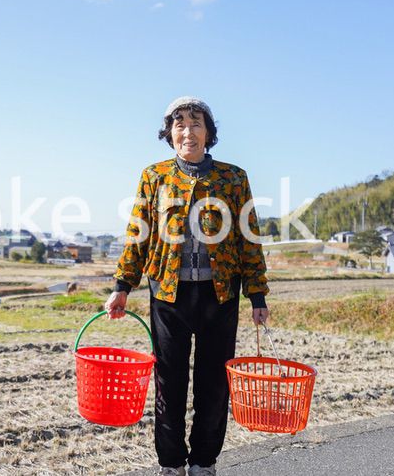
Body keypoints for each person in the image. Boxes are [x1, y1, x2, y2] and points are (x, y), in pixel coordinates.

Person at [104, 96, 270, 476]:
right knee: (169, 383)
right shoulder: (154, 176)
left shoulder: (233, 177)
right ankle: (171, 463)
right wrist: (122, 284)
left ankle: (203, 462)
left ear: (209, 133)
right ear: (169, 134)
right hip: (168, 294)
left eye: (196, 123)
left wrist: (257, 293)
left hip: (221, 294)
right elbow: (138, 234)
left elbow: (249, 237)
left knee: (213, 384)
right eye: (179, 124)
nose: (187, 131)